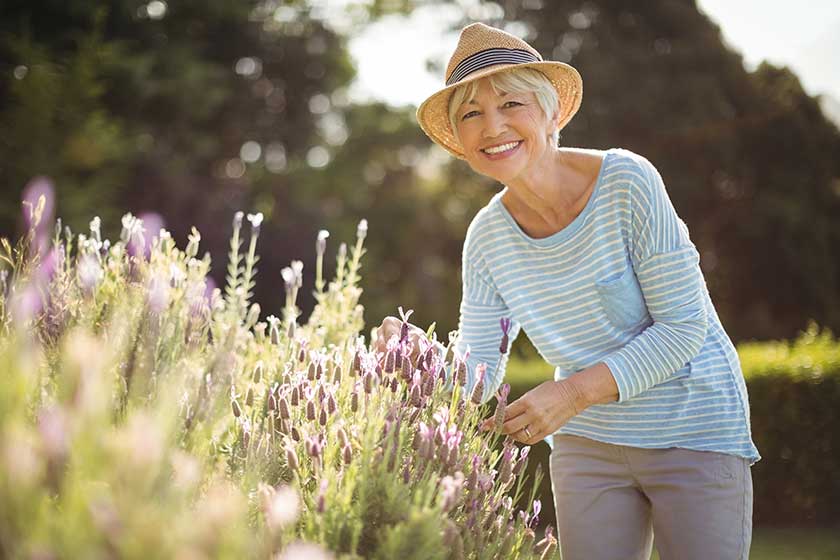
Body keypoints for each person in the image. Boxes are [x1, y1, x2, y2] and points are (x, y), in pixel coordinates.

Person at [374, 22, 759, 560]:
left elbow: (683, 328)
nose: (493, 126)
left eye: (512, 104)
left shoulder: (628, 182)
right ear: (459, 142)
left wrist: (571, 394)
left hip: (691, 427)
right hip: (588, 447)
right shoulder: (487, 238)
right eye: (471, 114)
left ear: (552, 112)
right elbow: (478, 370)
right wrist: (415, 356)